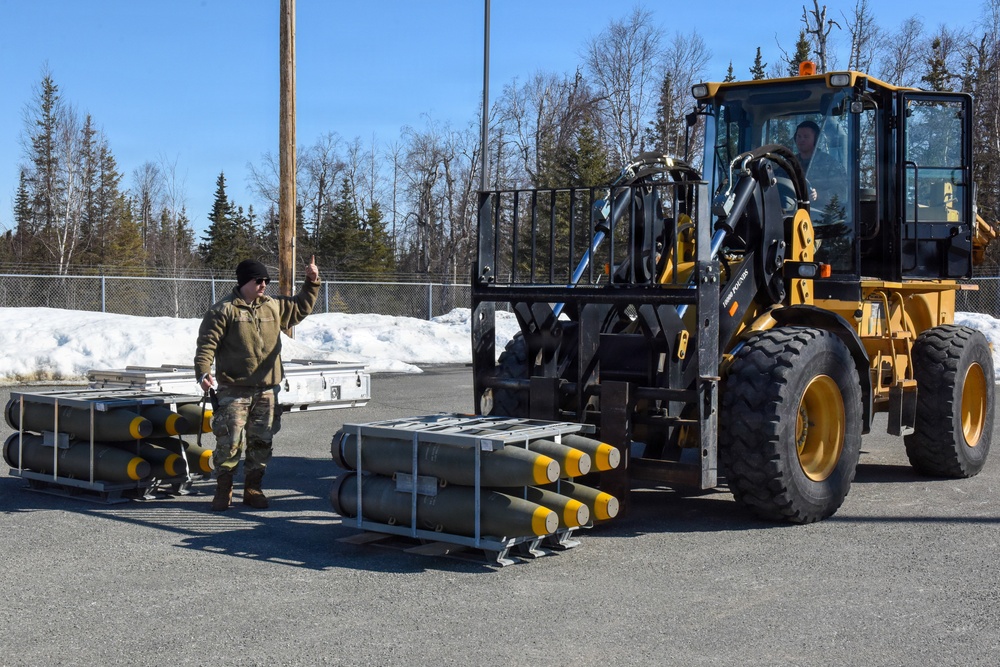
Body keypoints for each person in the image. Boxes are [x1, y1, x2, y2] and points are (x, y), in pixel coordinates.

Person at [194, 256, 320, 511]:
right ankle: (223, 489)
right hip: (234, 390)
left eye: (265, 281)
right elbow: (206, 345)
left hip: (267, 390)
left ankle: (253, 489)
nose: (263, 285)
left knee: (261, 442)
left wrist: (312, 281)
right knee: (229, 443)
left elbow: (300, 307)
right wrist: (202, 372)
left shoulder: (272, 306)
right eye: (258, 281)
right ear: (244, 282)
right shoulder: (223, 310)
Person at [793, 120, 848, 210]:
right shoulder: (789, 163)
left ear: (816, 139)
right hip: (791, 214)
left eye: (806, 137)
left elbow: (842, 193)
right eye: (799, 136)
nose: (801, 140)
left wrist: (819, 195)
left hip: (821, 218)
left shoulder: (830, 164)